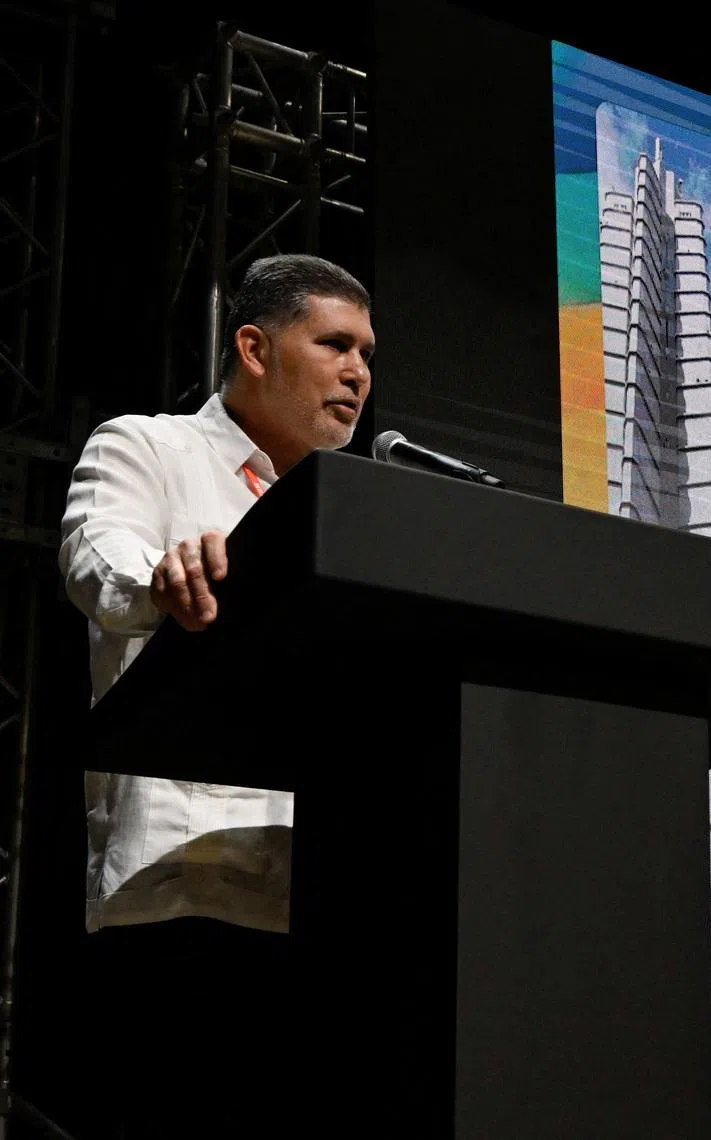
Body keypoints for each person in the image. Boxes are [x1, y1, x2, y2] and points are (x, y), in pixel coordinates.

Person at [59, 253, 374, 1136]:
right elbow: (96, 561)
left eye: (368, 355)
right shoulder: (148, 446)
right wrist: (159, 583)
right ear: (255, 347)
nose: (359, 373)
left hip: (323, 907)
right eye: (336, 345)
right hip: (181, 896)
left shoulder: (350, 510)